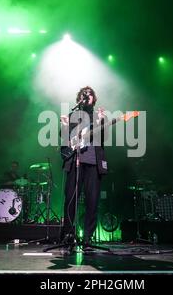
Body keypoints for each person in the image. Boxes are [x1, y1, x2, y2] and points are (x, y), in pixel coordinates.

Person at [59, 86, 108, 251]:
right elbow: (64, 138)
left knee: (92, 201)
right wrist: (65, 125)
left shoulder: (98, 115)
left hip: (93, 163)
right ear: (78, 98)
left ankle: (88, 237)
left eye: (90, 94)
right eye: (83, 94)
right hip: (75, 161)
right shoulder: (73, 115)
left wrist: (101, 120)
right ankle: (69, 234)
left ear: (94, 98)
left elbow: (105, 137)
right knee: (70, 199)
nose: (87, 96)